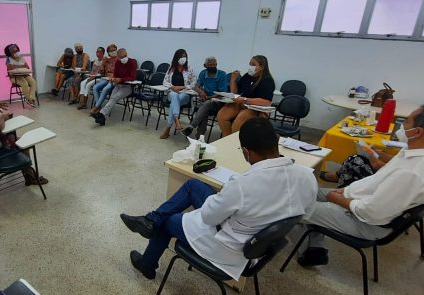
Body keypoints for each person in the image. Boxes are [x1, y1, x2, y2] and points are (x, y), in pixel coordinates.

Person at [120, 118, 317, 279]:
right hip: (255, 240)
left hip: (227, 248)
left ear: (247, 151)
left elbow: (208, 217)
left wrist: (226, 194)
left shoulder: (243, 185)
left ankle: (147, 264)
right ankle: (149, 219)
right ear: (276, 139)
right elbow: (305, 214)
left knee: (167, 222)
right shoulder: (307, 176)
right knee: (193, 185)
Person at [296, 103, 424, 267]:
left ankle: (275, 237)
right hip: (358, 202)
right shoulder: (417, 153)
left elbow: (371, 212)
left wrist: (338, 199)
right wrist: (346, 190)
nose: (401, 125)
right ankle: (315, 248)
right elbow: (375, 182)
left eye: (406, 121)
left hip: (364, 222)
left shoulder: (414, 172)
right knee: (306, 191)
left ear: (419, 132)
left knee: (292, 204)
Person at [216, 55, 276, 137]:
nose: (250, 67)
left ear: (261, 67)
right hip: (241, 104)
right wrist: (233, 80)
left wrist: (245, 100)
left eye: (253, 64)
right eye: (250, 64)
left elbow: (266, 101)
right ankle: (227, 138)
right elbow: (235, 93)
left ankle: (234, 142)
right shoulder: (247, 76)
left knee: (239, 120)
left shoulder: (267, 80)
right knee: (222, 115)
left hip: (254, 108)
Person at [182, 57, 229, 139]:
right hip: (206, 100)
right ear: (205, 65)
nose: (213, 66)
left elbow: (223, 93)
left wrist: (210, 97)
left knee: (206, 104)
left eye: (215, 64)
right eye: (210, 65)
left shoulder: (222, 74)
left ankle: (192, 126)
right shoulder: (203, 73)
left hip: (219, 102)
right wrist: (200, 91)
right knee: (204, 109)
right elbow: (196, 86)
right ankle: (200, 137)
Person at [91, 48, 136, 127]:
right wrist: (113, 78)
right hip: (118, 85)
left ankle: (101, 114)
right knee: (112, 99)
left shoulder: (132, 62)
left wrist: (121, 79)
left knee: (114, 98)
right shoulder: (118, 62)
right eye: (121, 57)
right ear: (118, 57)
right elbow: (115, 74)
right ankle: (102, 119)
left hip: (127, 87)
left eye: (125, 56)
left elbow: (133, 77)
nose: (124, 58)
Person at [159, 49, 196, 139]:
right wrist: (172, 87)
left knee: (174, 102)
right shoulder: (171, 68)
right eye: (181, 56)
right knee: (174, 95)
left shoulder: (189, 69)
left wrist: (181, 87)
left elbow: (194, 83)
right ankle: (176, 120)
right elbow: (165, 82)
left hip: (185, 94)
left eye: (185, 56)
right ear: (176, 58)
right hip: (172, 93)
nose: (183, 58)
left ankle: (169, 127)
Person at [89, 44, 118, 115]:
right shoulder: (107, 60)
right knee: (95, 87)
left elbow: (120, 72)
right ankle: (99, 107)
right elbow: (101, 71)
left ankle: (96, 107)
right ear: (108, 52)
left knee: (105, 89)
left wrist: (113, 76)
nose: (113, 52)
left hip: (114, 79)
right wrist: (103, 63)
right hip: (105, 77)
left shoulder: (119, 60)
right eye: (111, 51)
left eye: (114, 50)